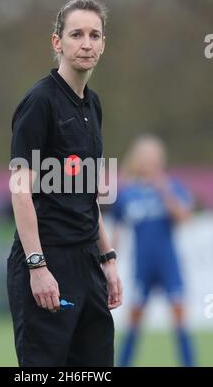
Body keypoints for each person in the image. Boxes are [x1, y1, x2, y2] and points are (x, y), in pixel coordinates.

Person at [7, 0, 122, 367]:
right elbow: (20, 190)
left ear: (103, 43)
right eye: (76, 34)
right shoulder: (39, 102)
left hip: (88, 262)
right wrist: (37, 267)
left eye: (94, 35)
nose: (86, 43)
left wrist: (108, 259)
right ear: (57, 42)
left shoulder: (93, 104)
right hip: (48, 259)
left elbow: (89, 192)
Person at [110, 134, 195, 367]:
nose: (149, 162)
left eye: (153, 157)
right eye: (144, 157)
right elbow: (116, 229)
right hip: (143, 266)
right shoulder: (128, 193)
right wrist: (109, 259)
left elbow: (185, 217)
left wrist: (164, 190)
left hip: (168, 264)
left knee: (179, 318)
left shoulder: (171, 186)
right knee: (134, 320)